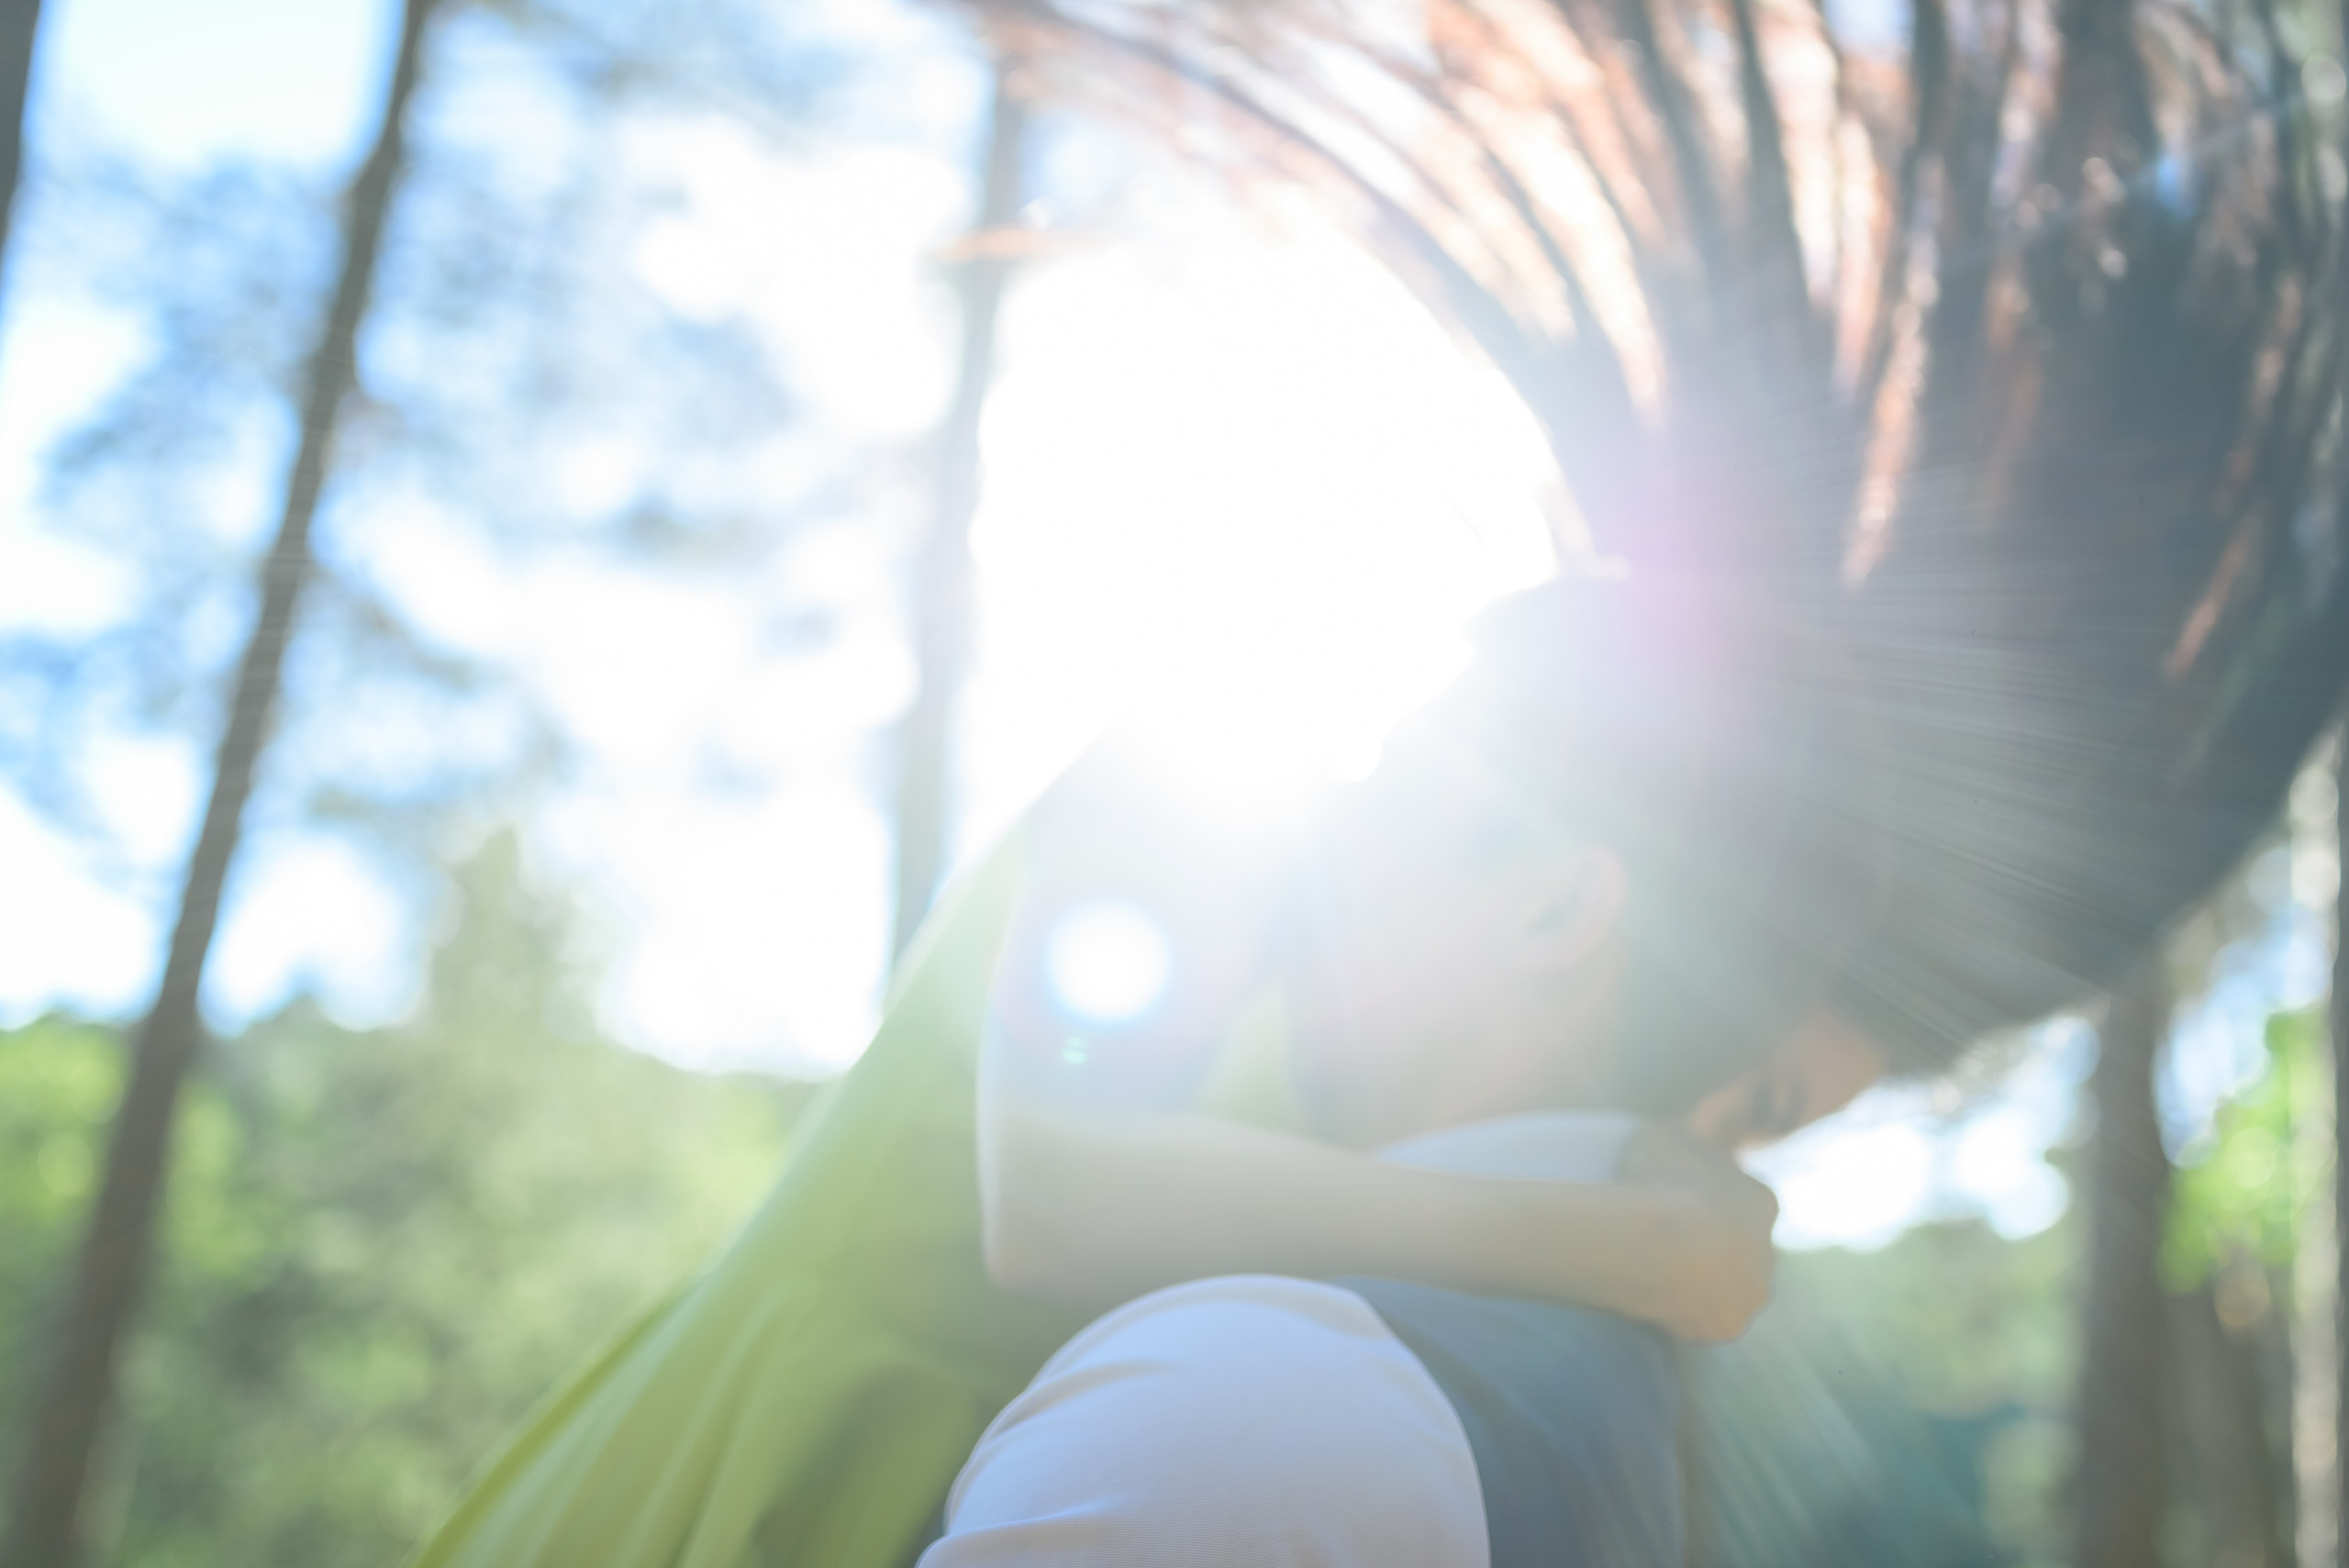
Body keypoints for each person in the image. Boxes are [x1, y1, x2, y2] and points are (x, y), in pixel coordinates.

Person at [405, 573, 1916, 1568]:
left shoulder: (1385, 1021)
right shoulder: (1198, 798)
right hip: (780, 1448)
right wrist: (1605, 1238)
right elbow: (1051, 1193)